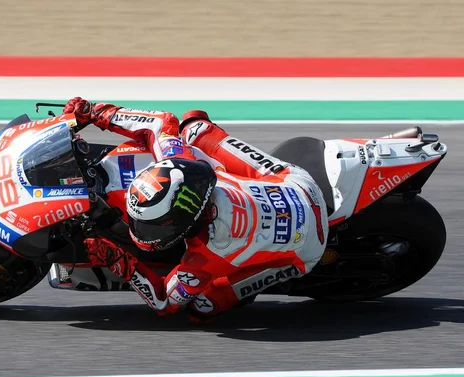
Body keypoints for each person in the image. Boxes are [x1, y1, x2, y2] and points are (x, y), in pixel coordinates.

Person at [63, 97, 329, 323]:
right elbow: (161, 123)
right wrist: (97, 113)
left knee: (201, 308)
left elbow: (164, 302)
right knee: (194, 128)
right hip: (297, 185)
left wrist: (119, 261)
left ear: (183, 222)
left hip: (306, 249)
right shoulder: (181, 165)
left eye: (154, 225)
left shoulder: (203, 258)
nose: (143, 231)